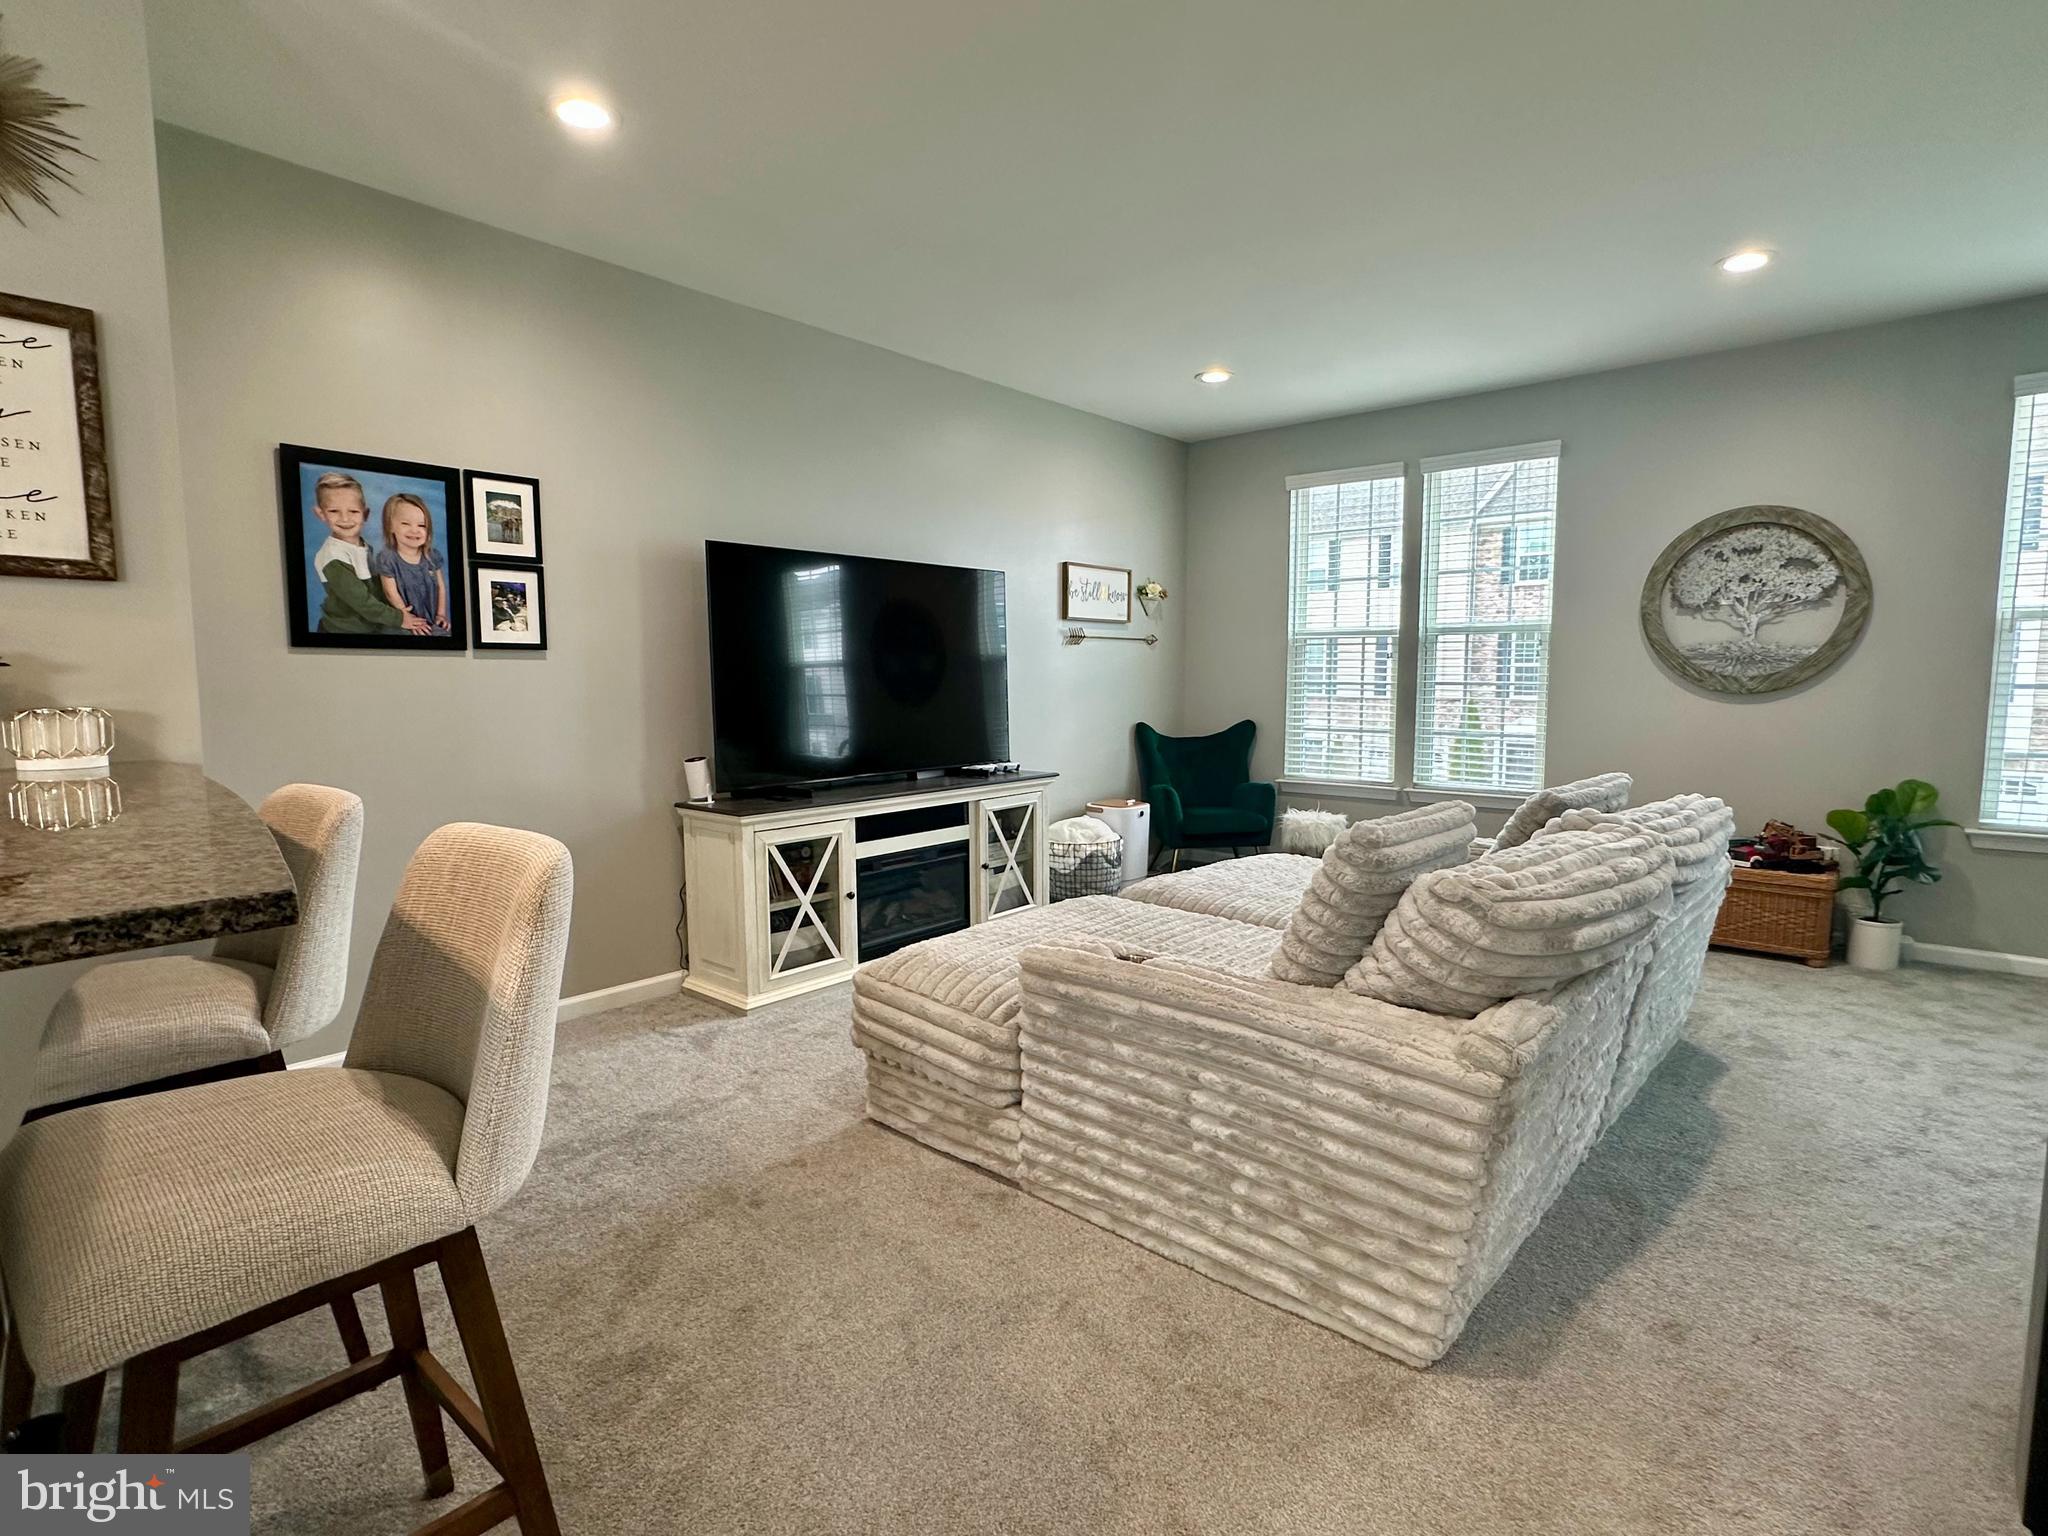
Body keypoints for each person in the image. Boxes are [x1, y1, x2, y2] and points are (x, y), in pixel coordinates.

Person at [308, 471, 404, 634]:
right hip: (342, 631)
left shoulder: (364, 546)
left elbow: (376, 587)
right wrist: (400, 618)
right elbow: (362, 602)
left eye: (353, 511)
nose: (345, 519)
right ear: (321, 514)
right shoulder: (332, 557)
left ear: (365, 514)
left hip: (369, 625)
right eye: (334, 511)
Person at [372, 492, 451, 636]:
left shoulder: (431, 556)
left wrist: (441, 614)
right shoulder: (387, 558)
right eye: (405, 524)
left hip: (430, 620)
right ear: (390, 527)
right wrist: (405, 616)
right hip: (403, 621)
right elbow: (390, 592)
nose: (414, 530)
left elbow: (441, 587)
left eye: (422, 525)